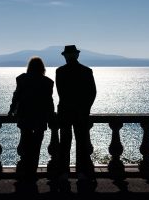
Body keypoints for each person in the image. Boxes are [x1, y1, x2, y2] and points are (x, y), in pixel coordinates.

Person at [56, 45, 97, 190]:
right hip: (81, 113)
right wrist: (85, 109)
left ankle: (63, 173)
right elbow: (92, 92)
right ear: (77, 55)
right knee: (81, 143)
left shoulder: (60, 72)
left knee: (65, 143)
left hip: (65, 112)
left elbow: (61, 93)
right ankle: (82, 172)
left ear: (65, 56)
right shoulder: (87, 71)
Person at [8, 56, 54, 183]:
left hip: (25, 117)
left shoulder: (22, 79)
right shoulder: (48, 82)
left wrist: (11, 110)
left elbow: (16, 97)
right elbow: (49, 102)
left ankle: (25, 171)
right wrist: (51, 116)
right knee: (36, 146)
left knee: (25, 143)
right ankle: (32, 171)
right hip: (40, 118)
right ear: (42, 68)